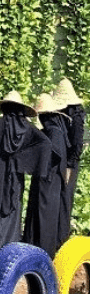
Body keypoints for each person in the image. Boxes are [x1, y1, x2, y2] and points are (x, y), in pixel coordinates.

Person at [0, 91, 52, 266]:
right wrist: (22, 161)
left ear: (4, 108)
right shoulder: (28, 128)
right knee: (11, 214)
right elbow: (45, 143)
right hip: (15, 178)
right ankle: (6, 256)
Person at [23, 94, 70, 257]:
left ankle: (41, 249)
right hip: (51, 182)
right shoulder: (57, 132)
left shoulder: (53, 133)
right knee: (45, 214)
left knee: (43, 215)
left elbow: (50, 157)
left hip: (47, 182)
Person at [54, 78, 85, 244]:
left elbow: (77, 144)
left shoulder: (77, 116)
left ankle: (61, 239)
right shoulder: (66, 114)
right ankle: (56, 237)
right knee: (59, 200)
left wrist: (70, 166)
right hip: (63, 161)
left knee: (65, 201)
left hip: (69, 164)